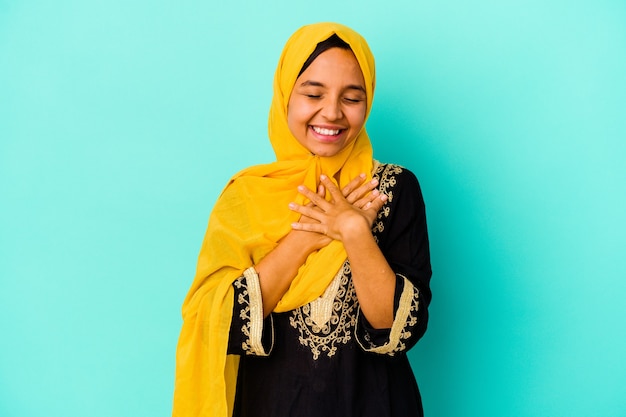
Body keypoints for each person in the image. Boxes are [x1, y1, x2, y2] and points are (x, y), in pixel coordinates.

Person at [172, 22, 432, 417]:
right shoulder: (246, 197)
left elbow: (399, 332)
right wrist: (307, 237)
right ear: (285, 97)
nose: (332, 112)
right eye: (313, 93)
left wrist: (353, 231)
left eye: (352, 98)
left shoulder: (391, 189)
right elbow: (219, 325)